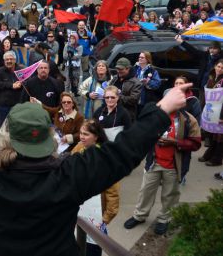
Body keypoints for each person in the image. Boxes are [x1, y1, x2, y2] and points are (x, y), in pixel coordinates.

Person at [0, 55, 193, 256]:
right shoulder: (69, 175)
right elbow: (122, 152)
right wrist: (163, 109)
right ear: (49, 139)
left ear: (9, 139)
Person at [123, 103, 201, 236]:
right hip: (154, 162)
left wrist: (175, 142)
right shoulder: (157, 116)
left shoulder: (189, 119)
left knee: (170, 195)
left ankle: (164, 219)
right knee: (146, 191)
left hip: (174, 165)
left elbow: (196, 143)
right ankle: (139, 216)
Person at [72, 119, 120, 256]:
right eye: (81, 133)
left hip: (96, 217)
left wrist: (104, 220)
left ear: (96, 136)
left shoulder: (106, 159)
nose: (81, 137)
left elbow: (113, 194)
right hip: (77, 212)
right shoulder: (79, 148)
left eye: (86, 134)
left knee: (92, 250)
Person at [198, 59, 223, 166]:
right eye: (219, 66)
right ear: (215, 66)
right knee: (213, 134)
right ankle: (210, 153)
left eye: (222, 68)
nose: (220, 69)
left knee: (220, 135)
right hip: (212, 110)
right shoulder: (211, 78)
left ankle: (217, 158)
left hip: (221, 111)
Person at [0, 51, 22, 126]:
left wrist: (21, 84)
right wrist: (11, 85)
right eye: (7, 59)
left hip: (17, 105)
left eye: (11, 59)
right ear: (4, 61)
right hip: (4, 105)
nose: (9, 61)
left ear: (15, 60)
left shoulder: (21, 70)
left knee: (17, 126)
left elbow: (27, 82)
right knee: (3, 127)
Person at [109, 57, 142, 121]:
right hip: (111, 113)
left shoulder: (136, 83)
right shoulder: (115, 78)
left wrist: (117, 97)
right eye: (117, 69)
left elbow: (133, 100)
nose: (118, 71)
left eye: (121, 69)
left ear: (128, 69)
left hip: (126, 116)